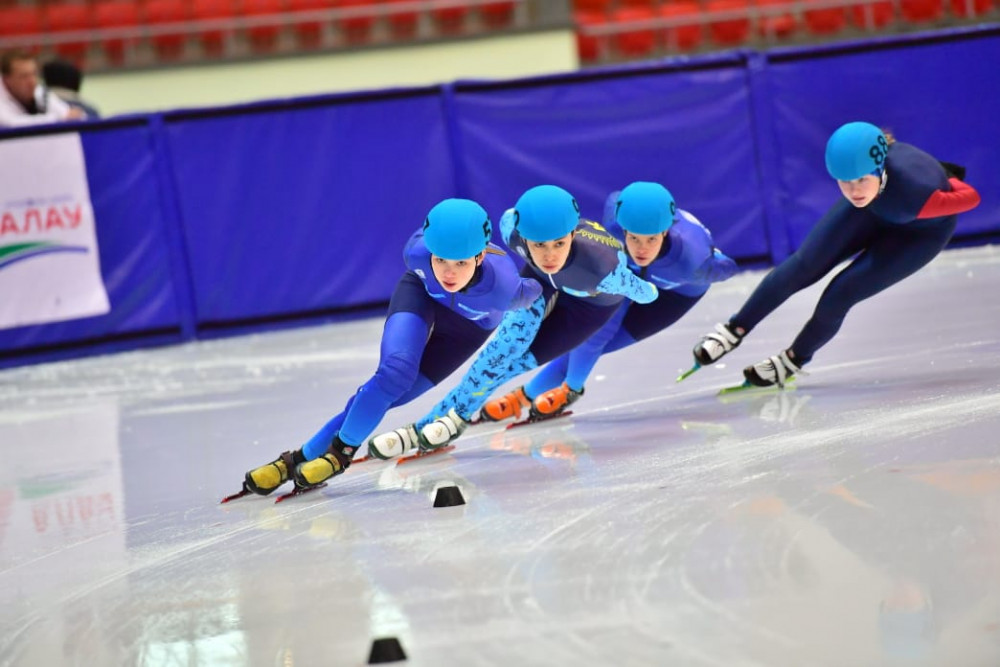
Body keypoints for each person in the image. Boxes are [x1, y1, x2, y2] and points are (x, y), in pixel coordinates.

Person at [235, 198, 542, 498]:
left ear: (480, 257)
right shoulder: (417, 252)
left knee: (383, 397)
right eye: (440, 260)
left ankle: (300, 458)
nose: (448, 273)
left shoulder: (505, 289)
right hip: (421, 296)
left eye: (460, 262)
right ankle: (339, 455)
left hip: (466, 330)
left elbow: (539, 285)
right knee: (392, 376)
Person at [362, 184, 659, 459]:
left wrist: (632, 276)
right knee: (500, 352)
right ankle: (433, 423)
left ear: (572, 235)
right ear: (524, 237)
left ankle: (446, 418)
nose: (549, 255)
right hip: (538, 286)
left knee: (514, 365)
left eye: (558, 244)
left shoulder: (606, 270)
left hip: (589, 307)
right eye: (539, 245)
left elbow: (647, 293)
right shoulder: (511, 230)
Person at [691, 121, 981, 388]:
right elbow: (867, 166)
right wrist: (865, 187)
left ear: (880, 168)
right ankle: (734, 330)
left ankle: (794, 359)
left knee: (841, 293)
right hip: (873, 210)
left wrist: (948, 179)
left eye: (860, 180)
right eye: (844, 182)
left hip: (917, 234)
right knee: (803, 265)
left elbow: (971, 197)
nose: (853, 190)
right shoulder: (865, 184)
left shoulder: (917, 194)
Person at [481, 181, 738, 422]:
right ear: (623, 228)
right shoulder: (614, 221)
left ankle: (540, 393)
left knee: (598, 346)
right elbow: (615, 200)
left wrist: (714, 260)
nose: (641, 248)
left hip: (676, 293)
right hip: (628, 278)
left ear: (666, 231)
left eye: (651, 239)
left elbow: (729, 269)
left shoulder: (695, 261)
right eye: (634, 237)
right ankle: (545, 392)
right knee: (589, 336)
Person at [0, 49, 86, 127]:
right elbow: (10, 124)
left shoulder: (39, 92)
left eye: (34, 74)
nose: (32, 82)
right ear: (6, 80)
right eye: (24, 76)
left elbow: (71, 115)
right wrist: (57, 119)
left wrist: (68, 116)